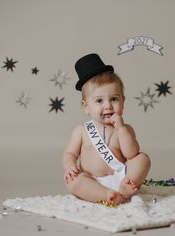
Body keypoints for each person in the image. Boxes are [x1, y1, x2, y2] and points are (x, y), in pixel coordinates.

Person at [62, 53, 151, 205]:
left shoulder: (124, 129)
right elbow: (69, 153)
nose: (108, 106)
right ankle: (106, 194)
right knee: (73, 182)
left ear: (123, 101)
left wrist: (121, 129)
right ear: (86, 106)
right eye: (99, 101)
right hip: (92, 181)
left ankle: (124, 189)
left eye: (114, 99)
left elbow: (131, 154)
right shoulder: (81, 131)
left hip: (122, 177)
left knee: (143, 159)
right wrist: (70, 166)